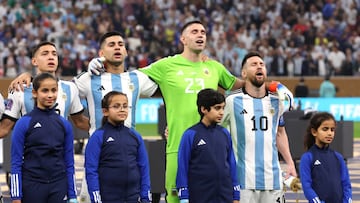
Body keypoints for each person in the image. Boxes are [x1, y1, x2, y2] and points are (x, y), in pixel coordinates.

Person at [221, 51, 297, 203]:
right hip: (243, 181)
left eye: (262, 64)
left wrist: (290, 162)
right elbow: (215, 129)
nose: (259, 67)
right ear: (243, 73)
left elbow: (280, 133)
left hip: (273, 180)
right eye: (254, 64)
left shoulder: (277, 102)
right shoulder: (232, 101)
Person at [10, 73, 77, 203]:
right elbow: (16, 162)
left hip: (59, 186)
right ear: (34, 93)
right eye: (45, 91)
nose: (50, 95)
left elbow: (69, 163)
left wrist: (72, 195)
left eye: (54, 90)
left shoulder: (65, 125)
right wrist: (16, 196)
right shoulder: (23, 123)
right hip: (32, 186)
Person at [0, 41, 89, 138]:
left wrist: (105, 127)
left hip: (60, 151)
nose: (51, 57)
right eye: (45, 54)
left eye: (54, 54)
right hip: (30, 151)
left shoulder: (70, 88)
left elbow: (80, 122)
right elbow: (4, 129)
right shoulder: (19, 88)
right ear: (34, 61)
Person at [85, 91, 151, 203]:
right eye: (116, 106)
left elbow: (144, 167)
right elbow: (91, 170)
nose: (122, 109)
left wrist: (145, 196)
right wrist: (96, 198)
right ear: (105, 111)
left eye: (125, 106)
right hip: (108, 198)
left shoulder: (134, 136)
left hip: (133, 197)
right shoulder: (98, 137)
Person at [176, 88, 240, 203]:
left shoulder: (224, 133)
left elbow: (231, 164)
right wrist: (184, 197)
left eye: (223, 108)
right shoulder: (190, 135)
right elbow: (182, 167)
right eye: (217, 108)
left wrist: (236, 194)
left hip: (224, 197)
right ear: (204, 109)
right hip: (199, 197)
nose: (221, 112)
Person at [299, 112, 352, 203]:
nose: (329, 133)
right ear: (314, 132)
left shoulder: (338, 157)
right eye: (325, 129)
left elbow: (346, 184)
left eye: (332, 130)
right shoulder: (307, 158)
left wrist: (347, 200)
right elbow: (307, 186)